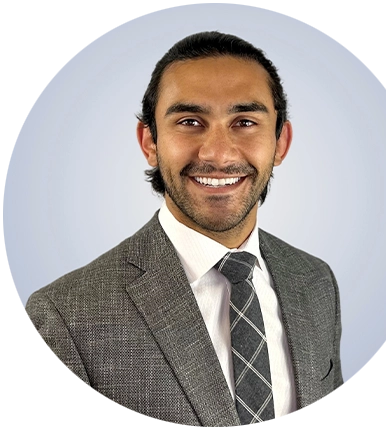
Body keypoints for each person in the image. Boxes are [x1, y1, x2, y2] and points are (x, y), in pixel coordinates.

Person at [24, 31, 345, 427]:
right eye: (190, 122)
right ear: (150, 143)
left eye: (245, 122)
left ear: (280, 142)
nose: (218, 153)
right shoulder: (66, 316)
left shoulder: (316, 281)